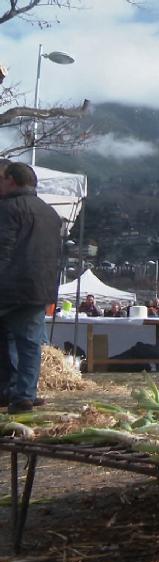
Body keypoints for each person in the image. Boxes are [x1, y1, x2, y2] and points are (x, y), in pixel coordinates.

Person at [0, 162, 61, 413]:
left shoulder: (7, 209)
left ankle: (11, 390)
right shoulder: (50, 213)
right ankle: (24, 392)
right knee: (30, 343)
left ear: (11, 180)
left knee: (9, 340)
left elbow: (3, 250)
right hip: (40, 287)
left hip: (9, 285)